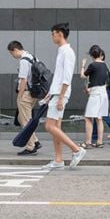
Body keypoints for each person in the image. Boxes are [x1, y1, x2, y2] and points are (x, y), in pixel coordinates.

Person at [41, 23, 86, 170]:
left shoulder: (67, 52)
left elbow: (66, 77)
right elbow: (60, 76)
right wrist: (51, 93)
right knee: (56, 128)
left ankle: (76, 150)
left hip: (61, 94)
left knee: (49, 126)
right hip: (57, 93)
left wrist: (60, 97)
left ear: (60, 33)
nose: (52, 36)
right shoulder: (63, 51)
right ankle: (58, 160)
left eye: (53, 33)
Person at [8, 41, 41, 156]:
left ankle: (31, 147)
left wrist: (20, 95)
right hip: (34, 93)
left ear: (15, 50)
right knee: (23, 118)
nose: (12, 56)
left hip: (26, 93)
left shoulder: (23, 60)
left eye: (12, 53)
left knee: (25, 120)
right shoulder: (32, 57)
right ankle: (35, 141)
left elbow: (23, 80)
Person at [80, 45, 109, 148]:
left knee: (88, 118)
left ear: (92, 55)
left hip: (95, 94)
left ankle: (88, 142)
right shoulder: (104, 65)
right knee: (99, 118)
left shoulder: (93, 65)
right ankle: (100, 141)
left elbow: (83, 75)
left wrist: (83, 65)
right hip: (103, 93)